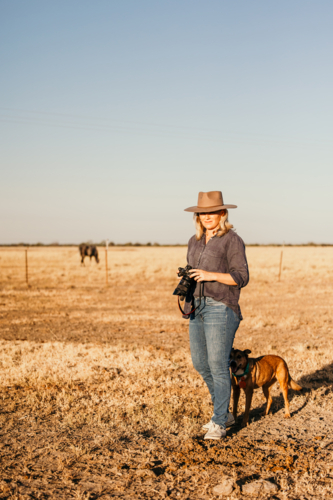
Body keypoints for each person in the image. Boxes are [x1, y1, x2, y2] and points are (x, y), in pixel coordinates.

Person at [181, 190, 249, 440]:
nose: (207, 216)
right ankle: (226, 413)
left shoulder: (232, 240)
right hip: (196, 306)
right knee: (201, 363)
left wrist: (210, 275)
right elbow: (194, 270)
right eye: (202, 213)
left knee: (219, 365)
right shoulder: (194, 240)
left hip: (221, 306)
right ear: (197, 216)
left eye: (212, 212)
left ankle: (219, 422)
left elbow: (241, 278)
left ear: (222, 213)